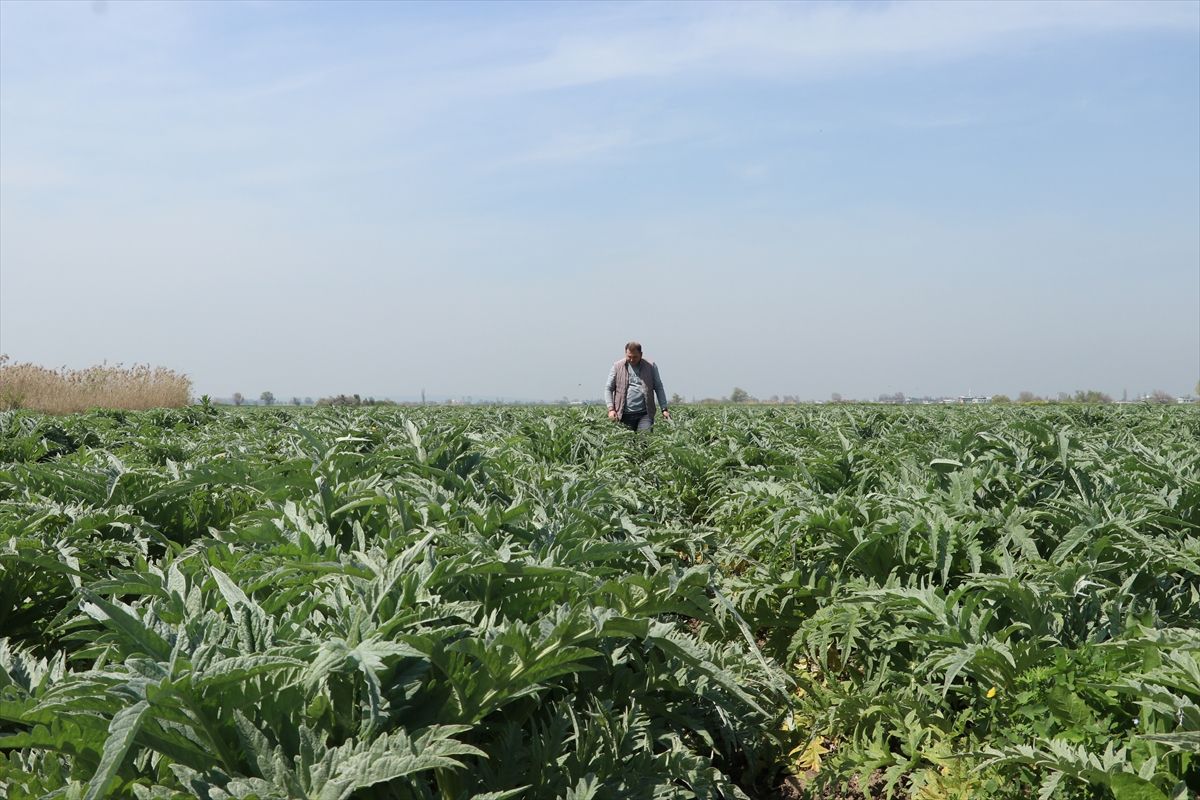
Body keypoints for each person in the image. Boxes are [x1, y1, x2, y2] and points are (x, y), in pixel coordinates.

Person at [605, 341, 670, 431]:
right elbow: (608, 388)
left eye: (635, 357)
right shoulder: (617, 366)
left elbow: (658, 387)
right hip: (623, 414)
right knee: (627, 443)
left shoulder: (651, 366)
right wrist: (611, 409)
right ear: (625, 354)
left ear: (641, 354)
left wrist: (664, 409)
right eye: (629, 357)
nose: (632, 359)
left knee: (644, 439)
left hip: (645, 414)